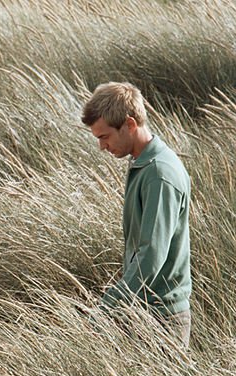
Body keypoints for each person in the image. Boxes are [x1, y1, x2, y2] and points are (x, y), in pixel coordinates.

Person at [82, 81, 192, 347]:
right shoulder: (143, 163)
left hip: (162, 318)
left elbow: (151, 256)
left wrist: (106, 308)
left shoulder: (159, 174)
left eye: (104, 137)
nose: (101, 146)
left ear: (129, 124)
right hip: (145, 310)